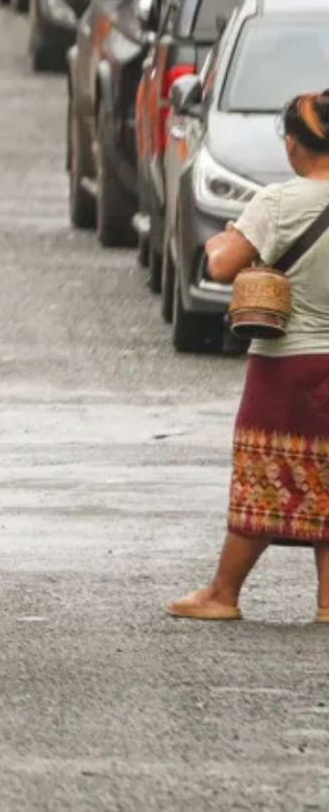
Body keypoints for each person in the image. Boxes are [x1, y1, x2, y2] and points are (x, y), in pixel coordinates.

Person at [168, 91, 329, 622]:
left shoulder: (278, 202)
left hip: (286, 363)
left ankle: (222, 593)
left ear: (291, 144)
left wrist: (220, 245)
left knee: (265, 477)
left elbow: (221, 266)